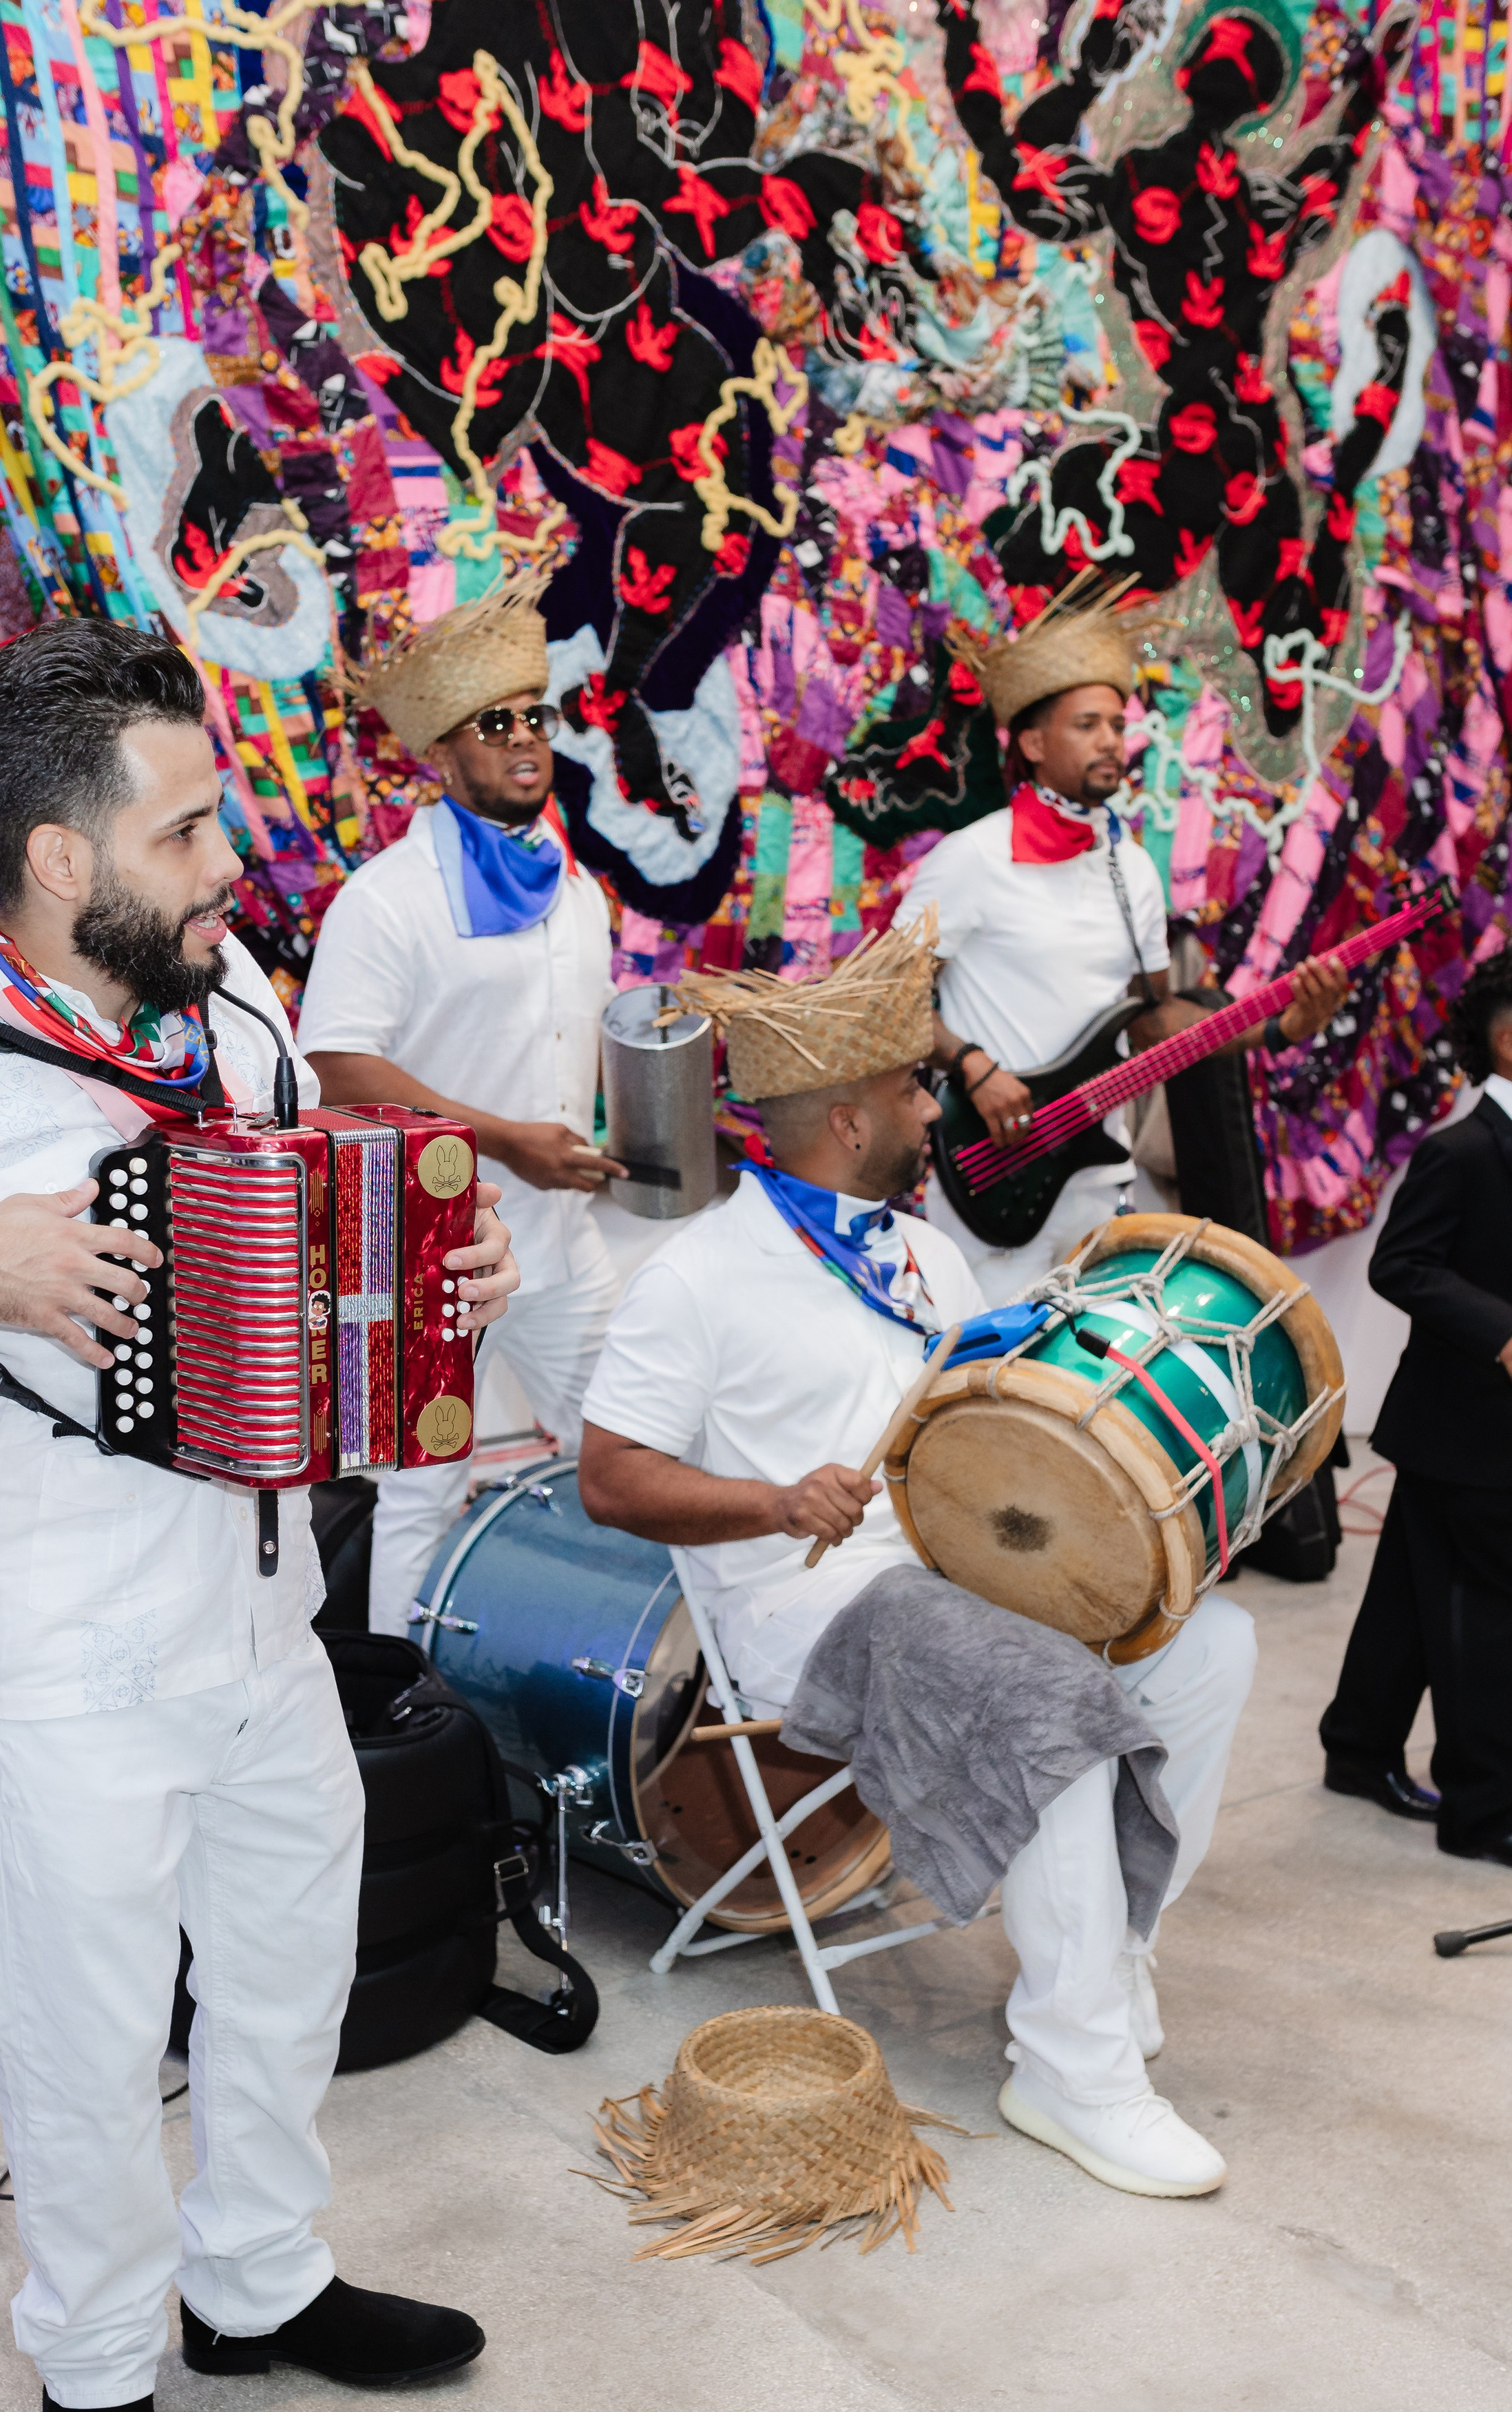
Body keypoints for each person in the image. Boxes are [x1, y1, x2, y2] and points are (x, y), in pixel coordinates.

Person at [0, 621, 520, 2412]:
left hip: (266, 1610)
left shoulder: (231, 1003)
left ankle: (258, 2283)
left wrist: (443, 1272)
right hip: (62, 1647)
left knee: (282, 1980)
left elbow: (314, 1245)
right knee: (84, 2046)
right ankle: (95, 2376)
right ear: (58, 859)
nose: (227, 862)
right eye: (184, 833)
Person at [577, 919, 1259, 2199]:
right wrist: (777, 1501)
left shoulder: (928, 1251)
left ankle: (1115, 1952)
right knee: (1044, 1696)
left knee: (1212, 1642)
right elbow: (609, 1478)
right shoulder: (698, 1276)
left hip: (953, 1574)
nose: (935, 1108)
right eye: (911, 1089)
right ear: (846, 1121)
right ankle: (1072, 2073)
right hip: (809, 1610)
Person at [298, 577, 623, 1635]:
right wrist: (507, 1142)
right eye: (495, 723)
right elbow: (335, 1066)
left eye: (536, 717)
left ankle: (636, 1683)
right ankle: (402, 1707)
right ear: (441, 751)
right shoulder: (386, 900)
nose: (525, 739)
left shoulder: (575, 891)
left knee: (631, 1459)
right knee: (421, 1492)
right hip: (423, 1243)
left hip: (562, 1240)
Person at [896, 585, 1348, 1304]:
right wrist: (973, 1066)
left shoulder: (1131, 867)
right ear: (1032, 744)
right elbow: (888, 1003)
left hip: (1099, 1176)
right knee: (983, 1365)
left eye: (1116, 723)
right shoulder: (970, 859)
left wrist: (1280, 1027)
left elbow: (1150, 1021)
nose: (1112, 740)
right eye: (1087, 725)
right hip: (992, 1172)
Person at [1320, 951, 1512, 1852]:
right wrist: (1500, 1331)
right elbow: (1402, 1265)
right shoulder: (1460, 1151)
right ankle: (1485, 1812)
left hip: (1456, 1436)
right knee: (1485, 1615)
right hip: (1470, 1425)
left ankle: (1359, 1748)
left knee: (1406, 1591)